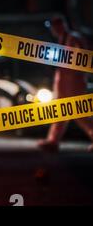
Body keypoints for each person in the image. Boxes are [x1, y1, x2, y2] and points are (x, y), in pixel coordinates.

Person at [38, 15, 93, 152]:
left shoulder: (73, 39)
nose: (52, 30)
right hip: (65, 81)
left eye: (54, 26)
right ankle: (53, 141)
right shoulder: (64, 39)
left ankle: (53, 141)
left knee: (78, 113)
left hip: (73, 81)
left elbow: (81, 58)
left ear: (60, 25)